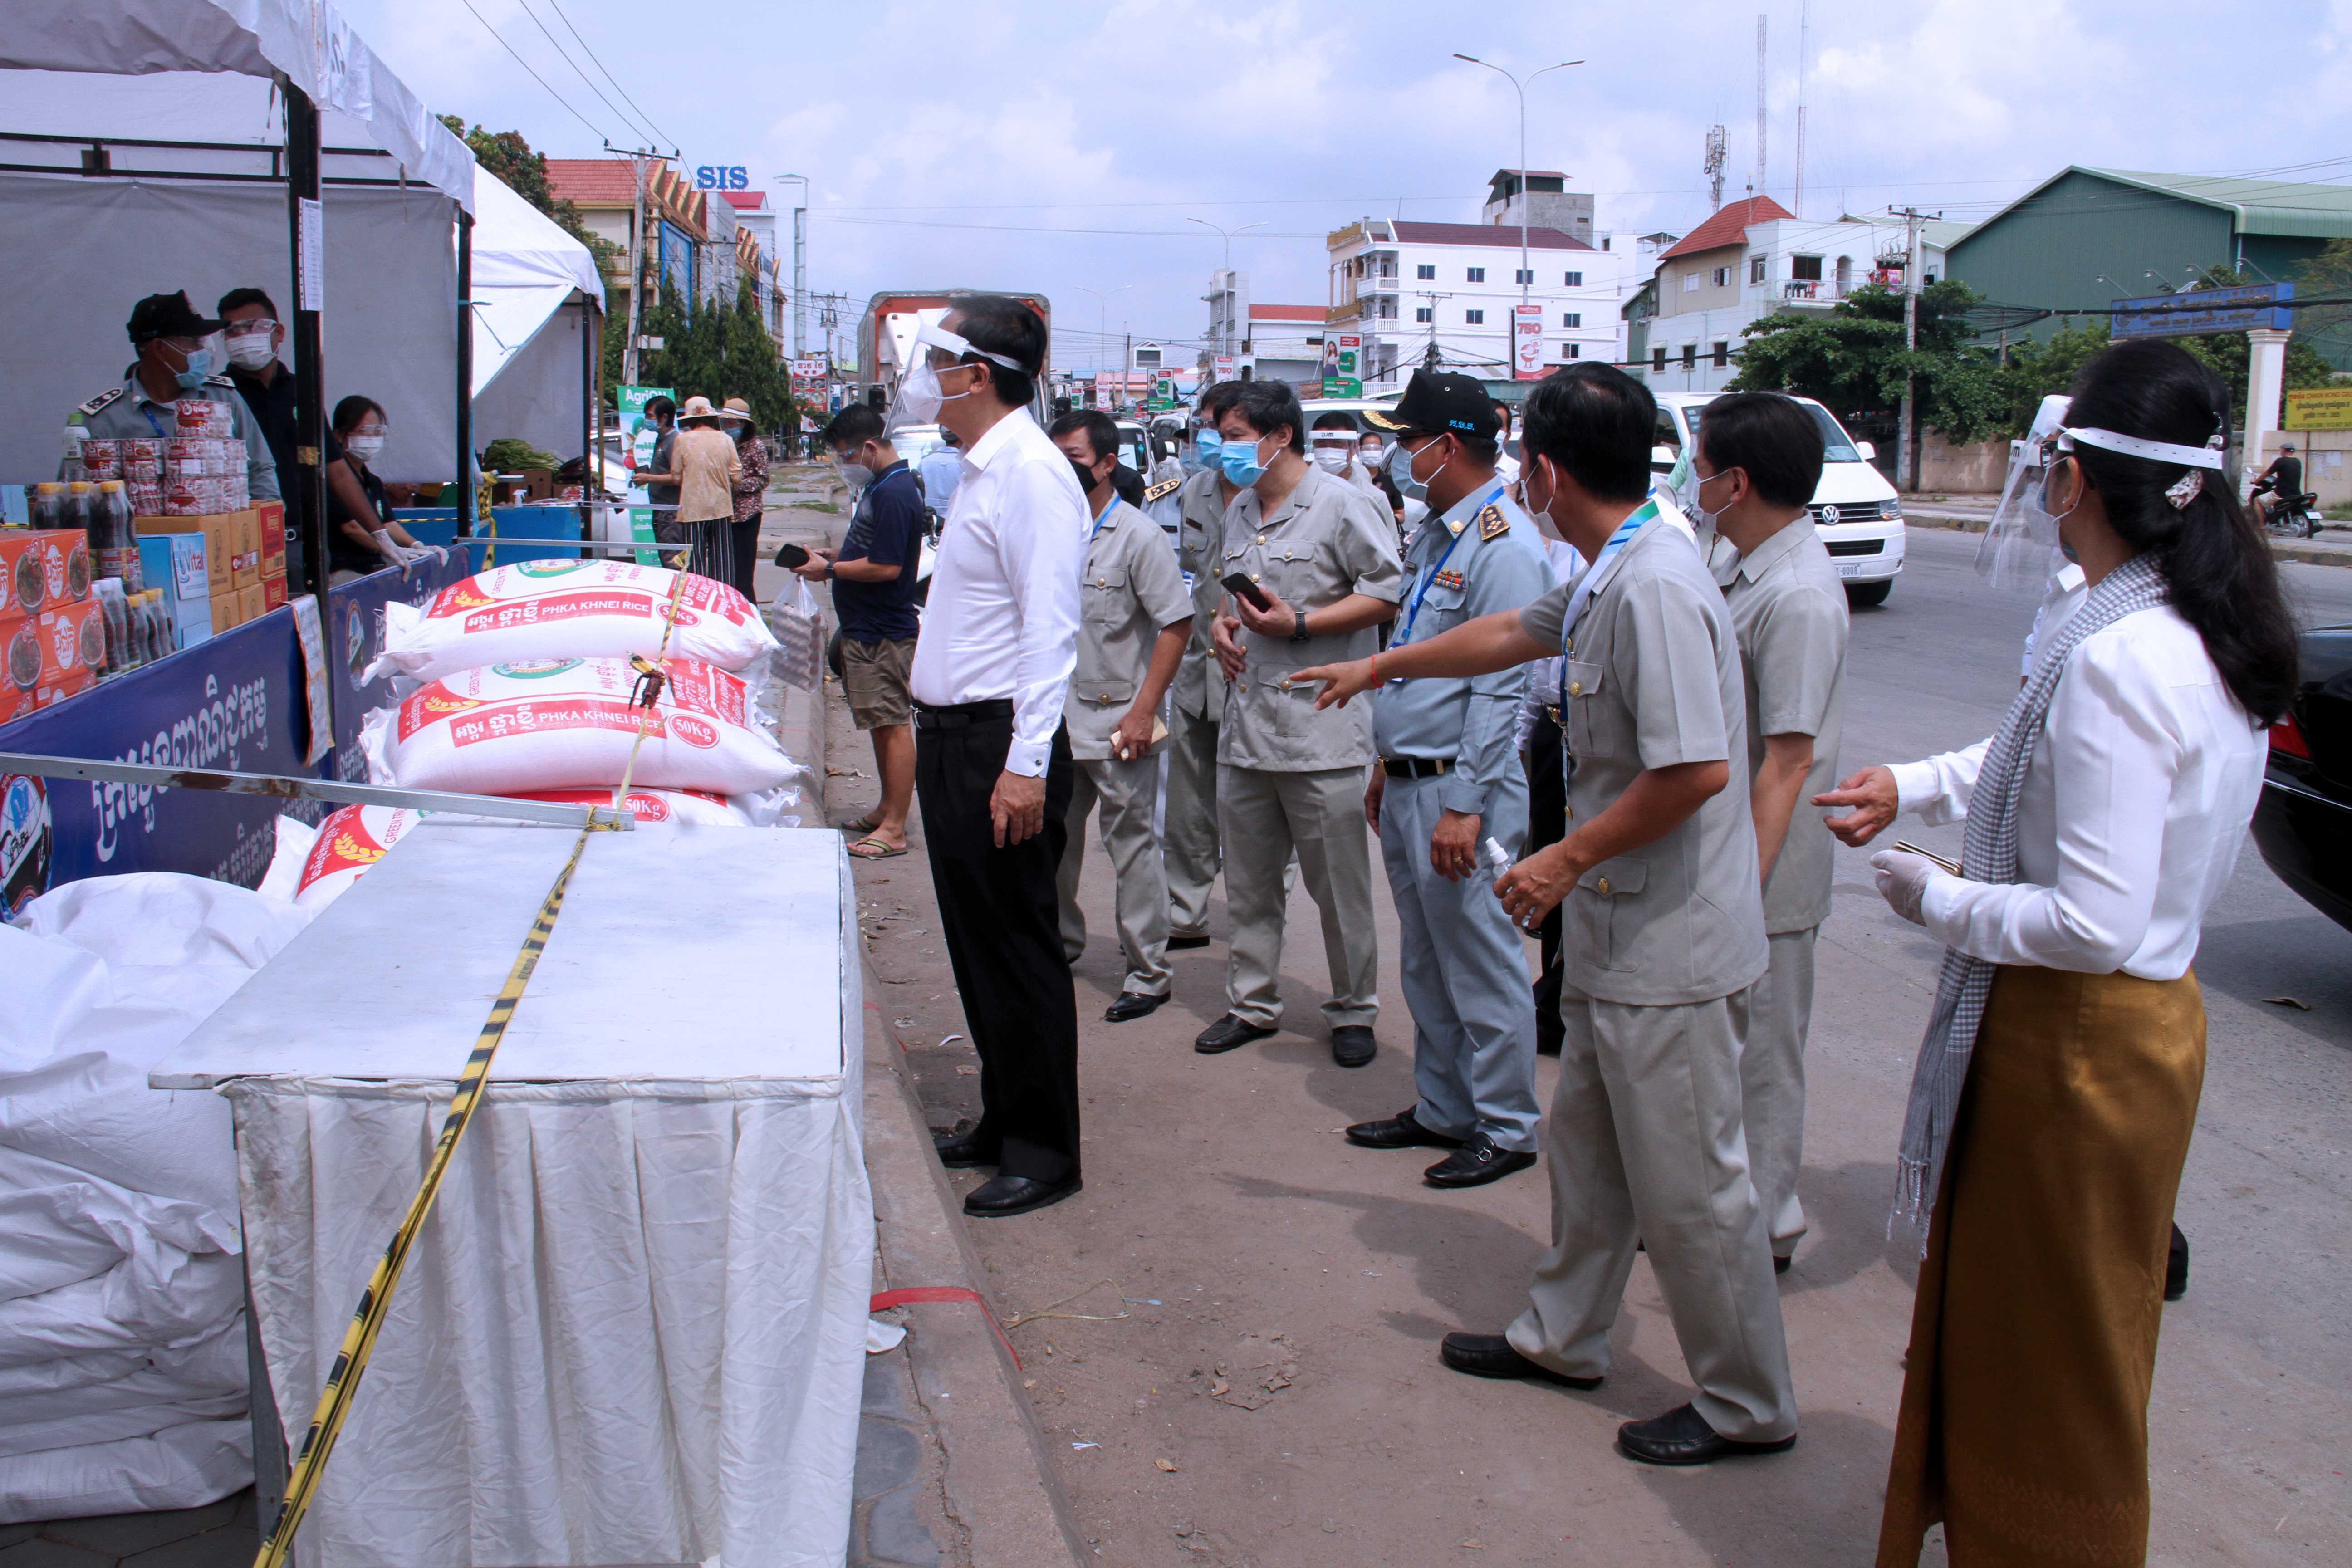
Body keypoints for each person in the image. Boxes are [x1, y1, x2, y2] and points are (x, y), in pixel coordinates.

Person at [1813, 340, 2292, 1566]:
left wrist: (1938, 902)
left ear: (2076, 478)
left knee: (2054, 1358)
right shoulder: (2176, 627)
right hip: (2127, 1027)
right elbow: (2045, 769)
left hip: (2078, 1035)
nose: (2039, 484)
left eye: (2050, 459)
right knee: (2043, 1329)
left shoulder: (2125, 656)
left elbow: (2092, 920)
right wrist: (1914, 785)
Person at [1292, 363, 1796, 1467]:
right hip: (1623, 927)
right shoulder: (1615, 564)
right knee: (1594, 1158)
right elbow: (1513, 633)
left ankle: (1744, 1399)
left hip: (1671, 939)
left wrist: (1559, 860)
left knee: (1694, 1184)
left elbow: (1695, 770)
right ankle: (1562, 1333)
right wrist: (1378, 663)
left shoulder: (1656, 582)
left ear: (1546, 469)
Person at [1345, 372, 1553, 1187]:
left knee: (1481, 959)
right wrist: (1382, 765)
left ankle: (1505, 1125)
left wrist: (1464, 804)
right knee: (1426, 960)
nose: (1397, 455)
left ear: (1449, 445)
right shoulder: (1438, 533)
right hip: (1409, 781)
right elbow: (1413, 669)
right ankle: (1443, 1107)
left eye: (1407, 440)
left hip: (1461, 789)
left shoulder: (1504, 545)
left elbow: (1503, 690)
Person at [906, 295, 1089, 1219]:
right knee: (975, 942)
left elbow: (1050, 634)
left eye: (940, 360)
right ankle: (1001, 1111)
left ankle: (1046, 1149)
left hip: (996, 743)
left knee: (1019, 946)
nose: (927, 375)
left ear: (976, 375)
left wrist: (1025, 763)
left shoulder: (1032, 474)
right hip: (950, 736)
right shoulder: (977, 472)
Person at [1195, 381, 1404, 1068]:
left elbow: (1384, 594)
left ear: (1279, 435)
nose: (1222, 447)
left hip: (1321, 728)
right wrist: (1227, 629)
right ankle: (1251, 1003)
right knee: (1251, 884)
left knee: (1338, 889)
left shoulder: (1346, 504)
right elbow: (1234, 592)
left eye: (1231, 432)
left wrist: (1303, 624)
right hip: (1249, 723)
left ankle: (1353, 1010)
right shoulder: (1242, 509)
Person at [1686, 392, 1846, 1273]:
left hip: (1765, 874)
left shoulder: (1798, 597)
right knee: (1718, 1055)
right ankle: (1719, 1211)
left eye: (1700, 467)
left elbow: (1785, 763)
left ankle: (1767, 1227)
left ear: (1735, 481)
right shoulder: (1736, 563)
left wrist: (1737, 898)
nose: (1692, 482)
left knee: (1763, 1059)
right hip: (1729, 859)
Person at [1048, 410, 1193, 1021]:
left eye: (1075, 459)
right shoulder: (1051, 528)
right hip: (1055, 721)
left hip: (1119, 721)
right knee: (1053, 846)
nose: (1063, 470)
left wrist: (1144, 712)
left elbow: (1176, 623)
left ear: (1107, 464)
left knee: (1131, 849)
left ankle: (1147, 973)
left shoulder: (1138, 536)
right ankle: (1060, 945)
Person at [798, 403, 923, 860]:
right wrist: (835, 554)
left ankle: (894, 828)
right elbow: (870, 549)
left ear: (870, 447)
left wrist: (830, 569)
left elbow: (887, 567)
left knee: (892, 726)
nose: (843, 464)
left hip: (882, 633)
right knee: (879, 724)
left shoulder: (894, 492)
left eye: (845, 455)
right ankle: (886, 810)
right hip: (867, 628)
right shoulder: (882, 486)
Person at [1154, 382, 1247, 950]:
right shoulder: (1194, 491)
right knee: (1188, 806)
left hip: (1251, 675)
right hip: (1196, 672)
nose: (1213, 439)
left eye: (1227, 429)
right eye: (1208, 427)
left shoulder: (1284, 497)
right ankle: (1186, 911)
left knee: (1254, 810)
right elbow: (1192, 574)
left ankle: (1262, 915)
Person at [218, 287, 377, 588]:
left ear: (278, 333)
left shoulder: (301, 391)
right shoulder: (220, 395)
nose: (242, 336)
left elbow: (337, 470)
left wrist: (379, 533)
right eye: (232, 331)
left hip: (302, 542)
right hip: (243, 546)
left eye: (251, 327)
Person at [70, 292, 279, 503]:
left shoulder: (223, 398)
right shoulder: (102, 418)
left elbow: (260, 468)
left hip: (220, 531)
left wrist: (267, 524)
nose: (203, 350)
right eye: (193, 342)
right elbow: (76, 494)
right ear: (160, 348)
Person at [638, 395, 741, 587]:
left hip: (692, 510)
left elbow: (677, 477)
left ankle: (699, 603)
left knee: (696, 566)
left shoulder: (683, 441)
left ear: (690, 419)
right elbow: (736, 476)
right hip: (721, 508)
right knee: (724, 564)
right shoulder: (726, 439)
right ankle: (724, 602)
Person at [325, 397, 427, 582]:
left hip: (373, 567)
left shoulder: (374, 482)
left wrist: (416, 545)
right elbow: (351, 527)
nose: (370, 439)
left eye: (377, 433)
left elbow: (389, 524)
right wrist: (387, 547)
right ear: (339, 435)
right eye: (362, 432)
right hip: (342, 571)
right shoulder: (332, 481)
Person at [725, 397, 768, 603]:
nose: (727, 427)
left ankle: (750, 610)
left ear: (742, 424)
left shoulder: (756, 446)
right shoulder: (726, 443)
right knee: (729, 569)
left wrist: (739, 485)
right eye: (725, 422)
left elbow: (763, 479)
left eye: (731, 423)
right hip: (728, 513)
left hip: (748, 513)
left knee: (744, 570)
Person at [640, 394, 680, 529]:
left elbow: (677, 477)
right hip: (661, 509)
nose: (647, 420)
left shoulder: (674, 441)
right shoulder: (661, 439)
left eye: (650, 416)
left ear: (664, 418)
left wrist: (650, 478)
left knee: (670, 550)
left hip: (670, 512)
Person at [919, 430, 964, 512]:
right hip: (957, 516)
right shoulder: (965, 463)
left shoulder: (924, 462)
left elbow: (918, 495)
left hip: (930, 519)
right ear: (961, 438)